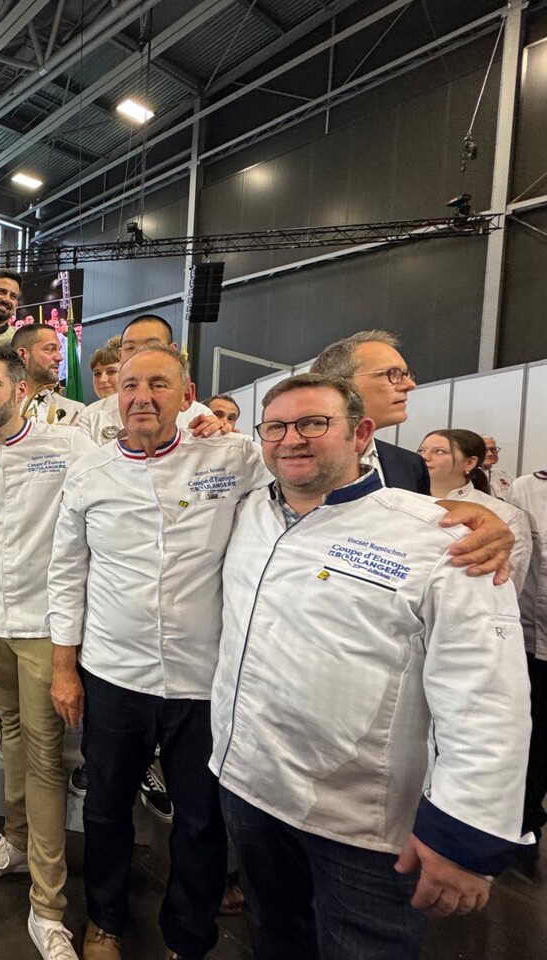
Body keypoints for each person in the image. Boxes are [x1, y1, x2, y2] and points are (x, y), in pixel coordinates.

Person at [210, 373, 532, 960]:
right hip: (250, 786)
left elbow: (487, 697)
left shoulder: (440, 538)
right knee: (274, 938)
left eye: (314, 423)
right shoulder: (245, 512)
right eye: (275, 427)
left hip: (363, 824)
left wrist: (465, 832)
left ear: (361, 435)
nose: (291, 439)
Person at [49, 345, 270, 960]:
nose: (142, 397)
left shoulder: (231, 457)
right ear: (114, 395)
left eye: (158, 384)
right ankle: (106, 921)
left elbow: (306, 490)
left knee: (201, 819)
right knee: (105, 810)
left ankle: (189, 938)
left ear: (187, 394)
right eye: (130, 385)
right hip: (113, 673)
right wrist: (64, 670)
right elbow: (66, 575)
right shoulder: (89, 472)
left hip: (204, 678)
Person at [0, 345, 94, 959]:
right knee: (11, 739)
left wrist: (200, 425)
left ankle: (48, 906)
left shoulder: (70, 447)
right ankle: (14, 841)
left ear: (22, 390)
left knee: (44, 757)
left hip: (44, 627)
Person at [311, 330, 428, 492]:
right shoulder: (292, 457)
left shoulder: (410, 465)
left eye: (406, 375)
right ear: (338, 383)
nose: (410, 385)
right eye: (392, 374)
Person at [419, 430, 532, 591]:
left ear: (469, 463)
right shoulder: (400, 499)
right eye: (421, 451)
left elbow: (507, 584)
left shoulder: (505, 514)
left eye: (439, 451)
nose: (425, 457)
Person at [78, 316, 213, 444]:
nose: (140, 354)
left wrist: (217, 433)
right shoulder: (92, 415)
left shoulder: (198, 415)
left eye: (152, 346)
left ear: (172, 350)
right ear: (120, 355)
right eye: (130, 348)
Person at [507, 471, 547, 862]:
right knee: (533, 736)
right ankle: (525, 821)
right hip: (534, 640)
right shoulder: (527, 489)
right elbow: (517, 558)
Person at [482, 435, 514, 500]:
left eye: (493, 449)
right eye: (485, 450)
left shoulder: (504, 475)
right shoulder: (468, 476)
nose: (490, 453)